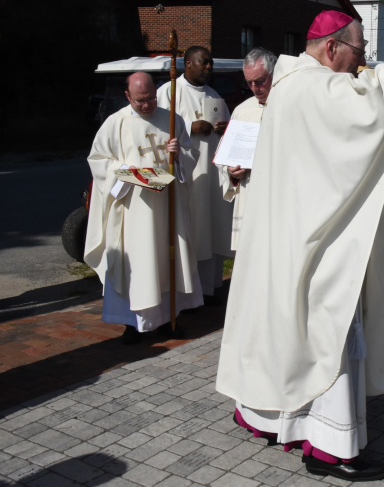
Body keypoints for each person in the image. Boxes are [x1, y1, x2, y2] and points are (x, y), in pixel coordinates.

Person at [216, 2, 384, 481]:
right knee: (329, 332)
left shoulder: (289, 86)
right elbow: (375, 105)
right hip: (319, 244)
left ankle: (270, 418)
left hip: (289, 235)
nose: (362, 62)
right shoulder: (314, 87)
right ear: (332, 46)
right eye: (359, 51)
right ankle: (331, 448)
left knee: (285, 333)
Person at [85, 72, 203, 344]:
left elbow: (189, 156)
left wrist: (179, 154)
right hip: (134, 210)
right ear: (128, 96)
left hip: (167, 208)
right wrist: (130, 173)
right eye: (141, 101)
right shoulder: (116, 123)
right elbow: (99, 161)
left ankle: (169, 319)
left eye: (151, 98)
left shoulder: (173, 119)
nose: (148, 105)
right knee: (138, 263)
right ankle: (132, 323)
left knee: (165, 260)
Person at [157, 46, 233, 305]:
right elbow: (156, 129)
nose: (209, 67)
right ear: (188, 63)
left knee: (211, 228)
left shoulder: (214, 95)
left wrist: (226, 128)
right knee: (193, 230)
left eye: (211, 63)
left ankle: (210, 287)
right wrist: (189, 127)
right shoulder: (169, 92)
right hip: (187, 175)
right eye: (205, 62)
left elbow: (229, 135)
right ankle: (187, 292)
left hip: (212, 174)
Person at [222, 47, 277, 251]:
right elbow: (227, 158)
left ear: (274, 74)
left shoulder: (291, 106)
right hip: (249, 193)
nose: (254, 88)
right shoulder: (242, 111)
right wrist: (232, 173)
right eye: (249, 82)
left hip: (278, 197)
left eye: (260, 81)